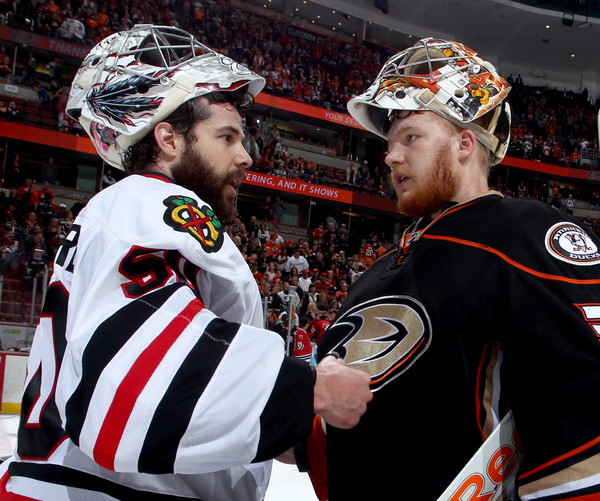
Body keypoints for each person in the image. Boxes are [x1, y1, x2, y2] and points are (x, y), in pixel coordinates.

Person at [0, 26, 372, 501]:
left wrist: (292, 427)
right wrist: (309, 389)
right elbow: (131, 389)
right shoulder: (155, 205)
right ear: (169, 139)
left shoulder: (120, 212)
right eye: (227, 137)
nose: (245, 157)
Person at [315, 37, 600, 501]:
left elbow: (584, 403)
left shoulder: (527, 232)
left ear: (466, 143)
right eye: (389, 143)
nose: (390, 156)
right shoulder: (377, 271)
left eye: (411, 137)